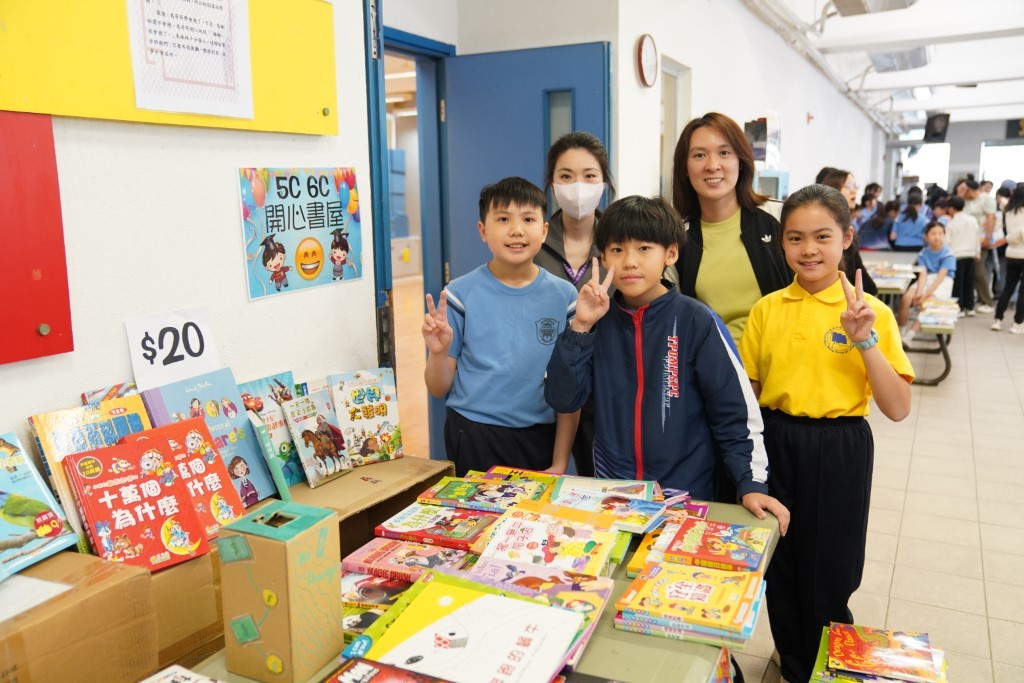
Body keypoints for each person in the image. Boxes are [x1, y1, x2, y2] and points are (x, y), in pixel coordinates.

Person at [739, 184, 913, 683]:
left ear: (847, 238)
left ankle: (827, 666)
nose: (808, 249)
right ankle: (794, 661)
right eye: (795, 238)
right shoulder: (767, 308)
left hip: (840, 446)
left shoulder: (871, 311)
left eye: (822, 236)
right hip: (776, 440)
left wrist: (865, 340)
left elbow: (897, 408)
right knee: (781, 563)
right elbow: (749, 396)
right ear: (782, 243)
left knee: (832, 568)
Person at [544, 195, 791, 528]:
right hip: (613, 496)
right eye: (617, 249)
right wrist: (580, 328)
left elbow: (734, 412)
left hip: (685, 498)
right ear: (603, 258)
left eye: (644, 248)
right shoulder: (591, 320)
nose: (630, 261)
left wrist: (751, 484)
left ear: (670, 253)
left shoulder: (697, 321)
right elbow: (564, 398)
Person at [422, 177, 579, 476]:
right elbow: (437, 387)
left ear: (544, 231)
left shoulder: (565, 297)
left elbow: (571, 390)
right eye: (503, 219)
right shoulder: (459, 294)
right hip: (473, 433)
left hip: (538, 436)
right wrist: (438, 353)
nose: (517, 230)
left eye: (528, 219)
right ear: (483, 230)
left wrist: (560, 462)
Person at [671, 112, 790, 346]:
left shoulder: (780, 218)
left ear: (741, 161)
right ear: (685, 167)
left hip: (783, 360)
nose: (712, 165)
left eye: (724, 153)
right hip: (715, 364)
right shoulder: (677, 240)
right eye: (699, 155)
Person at [535, 131, 615, 477]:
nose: (578, 186)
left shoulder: (621, 243)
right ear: (552, 184)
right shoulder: (533, 241)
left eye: (589, 175)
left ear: (604, 183)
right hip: (542, 392)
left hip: (609, 392)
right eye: (566, 176)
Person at [820, 168, 878, 296]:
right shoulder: (831, 228)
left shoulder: (845, 224)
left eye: (855, 186)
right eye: (848, 186)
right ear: (833, 189)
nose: (854, 190)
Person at [899, 222, 955, 345]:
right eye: (933, 233)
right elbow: (923, 274)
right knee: (906, 298)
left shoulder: (948, 254)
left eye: (940, 233)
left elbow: (940, 278)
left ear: (944, 235)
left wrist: (924, 296)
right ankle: (900, 332)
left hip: (943, 281)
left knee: (928, 302)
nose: (937, 237)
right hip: (927, 279)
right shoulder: (923, 253)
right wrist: (918, 292)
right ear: (926, 236)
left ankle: (910, 335)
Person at [991, 183, 1024, 334]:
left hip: (1011, 253)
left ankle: (997, 320)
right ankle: (1017, 323)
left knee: (1008, 288)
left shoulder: (1008, 211)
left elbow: (1007, 233)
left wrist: (1010, 238)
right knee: (1022, 292)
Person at [963, 179, 997, 312]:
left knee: (978, 272)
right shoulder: (966, 200)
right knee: (970, 272)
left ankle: (987, 301)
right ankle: (973, 300)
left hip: (981, 240)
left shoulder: (985, 199)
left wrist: (988, 237)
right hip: (967, 240)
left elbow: (991, 218)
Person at [945, 195, 981, 316]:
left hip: (956, 256)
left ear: (951, 208)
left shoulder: (951, 224)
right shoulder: (972, 220)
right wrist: (977, 252)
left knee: (958, 283)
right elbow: (977, 237)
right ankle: (969, 307)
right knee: (969, 282)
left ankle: (959, 308)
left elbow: (947, 242)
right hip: (971, 254)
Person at [890, 187, 927, 252]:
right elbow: (925, 237)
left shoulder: (899, 217)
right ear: (919, 205)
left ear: (907, 204)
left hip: (900, 246)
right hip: (917, 246)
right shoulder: (923, 219)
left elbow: (892, 237)